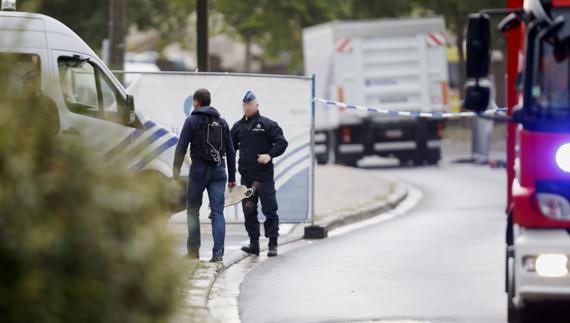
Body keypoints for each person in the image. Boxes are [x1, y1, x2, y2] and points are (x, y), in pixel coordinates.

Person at [173, 89, 236, 263]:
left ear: (196, 102)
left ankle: (193, 251)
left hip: (198, 171)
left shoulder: (191, 121)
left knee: (192, 210)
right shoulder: (222, 122)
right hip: (218, 171)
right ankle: (218, 254)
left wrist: (176, 173)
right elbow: (230, 152)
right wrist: (232, 178)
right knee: (217, 213)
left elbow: (181, 148)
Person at [231, 91, 288, 257]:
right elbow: (230, 148)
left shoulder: (267, 124)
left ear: (256, 105)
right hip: (247, 178)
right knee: (249, 210)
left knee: (270, 209)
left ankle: (272, 244)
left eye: (249, 104)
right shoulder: (238, 127)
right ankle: (254, 244)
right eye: (244, 104)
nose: (247, 107)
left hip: (264, 177)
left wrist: (270, 154)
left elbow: (282, 142)